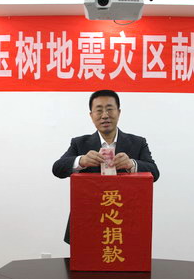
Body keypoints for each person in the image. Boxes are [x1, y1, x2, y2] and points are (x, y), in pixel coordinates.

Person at [52, 89, 160, 243]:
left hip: (124, 219)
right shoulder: (80, 143)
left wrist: (131, 164)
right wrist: (81, 161)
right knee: (85, 258)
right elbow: (57, 169)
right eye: (99, 110)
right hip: (87, 218)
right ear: (91, 115)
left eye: (109, 109)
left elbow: (155, 173)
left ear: (119, 112)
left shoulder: (137, 143)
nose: (104, 115)